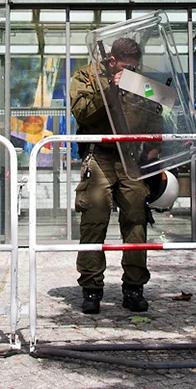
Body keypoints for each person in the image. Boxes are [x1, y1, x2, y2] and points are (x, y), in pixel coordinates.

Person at [69, 37, 162, 315]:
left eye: (135, 66)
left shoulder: (139, 80)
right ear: (112, 61)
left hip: (131, 158)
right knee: (94, 219)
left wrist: (155, 150)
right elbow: (81, 112)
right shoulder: (87, 75)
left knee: (136, 220)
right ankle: (91, 288)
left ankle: (134, 288)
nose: (131, 70)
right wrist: (109, 87)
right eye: (126, 66)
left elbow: (157, 111)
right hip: (100, 154)